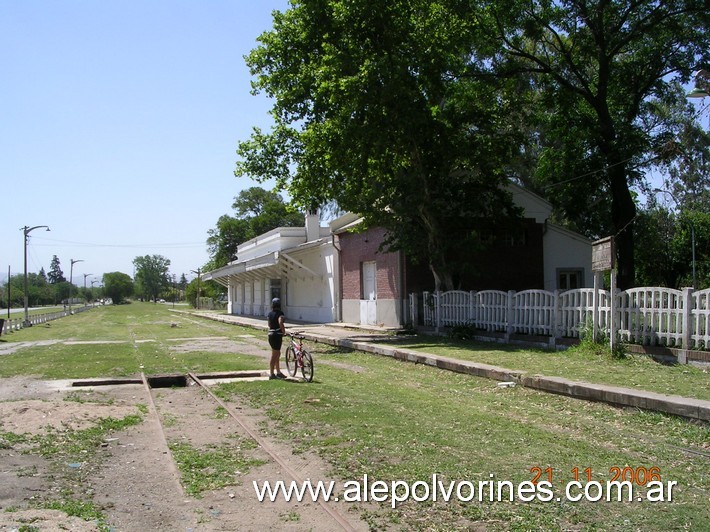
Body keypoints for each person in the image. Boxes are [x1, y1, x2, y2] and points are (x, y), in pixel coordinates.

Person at [267, 297, 287, 379]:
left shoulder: (270, 313)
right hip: (277, 335)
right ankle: (272, 373)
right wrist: (283, 331)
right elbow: (280, 322)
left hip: (271, 334)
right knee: (275, 355)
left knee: (277, 353)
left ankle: (278, 371)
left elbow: (269, 324)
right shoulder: (280, 313)